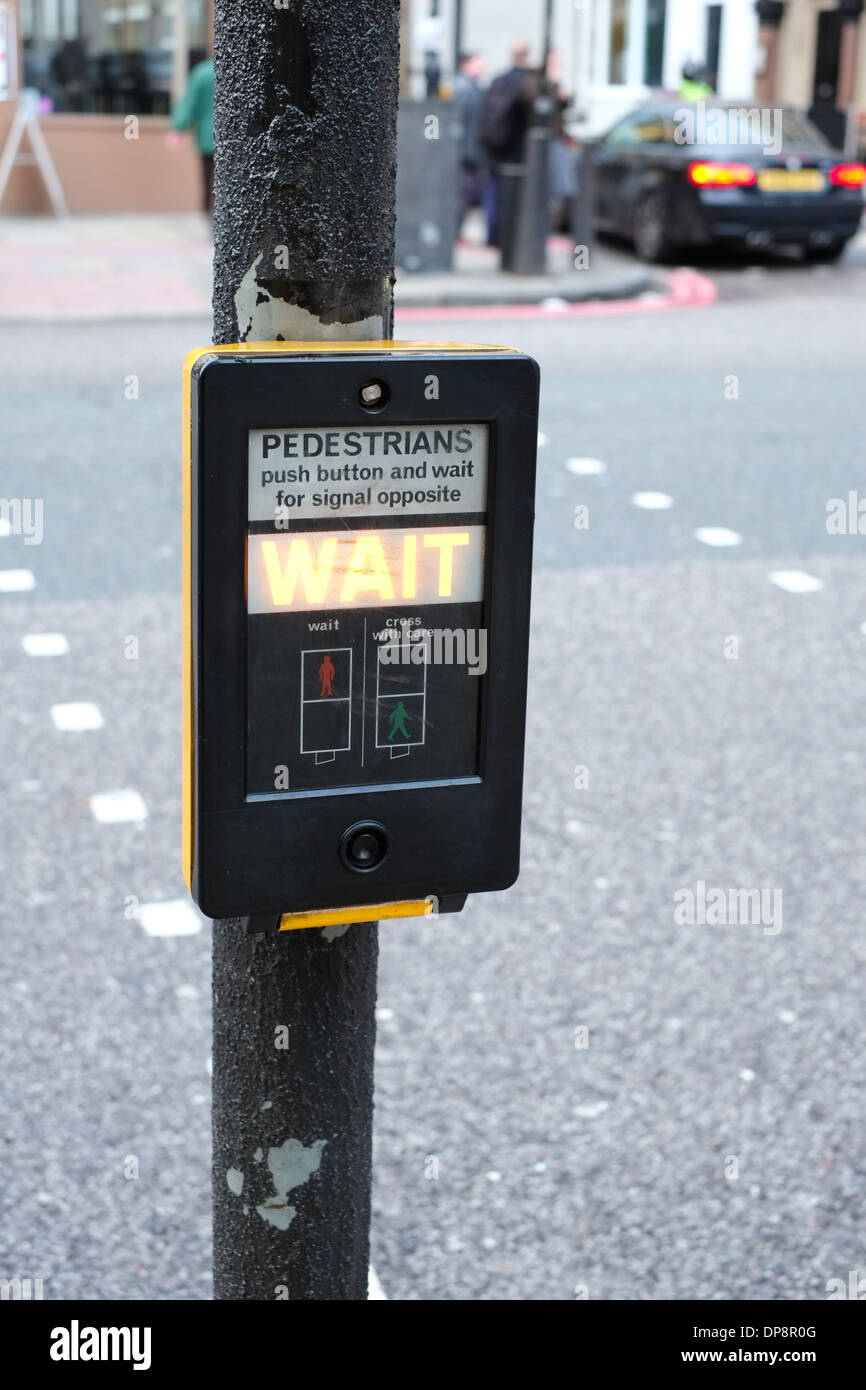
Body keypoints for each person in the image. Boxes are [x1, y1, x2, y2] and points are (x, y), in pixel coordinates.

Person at [479, 40, 535, 247]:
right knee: (516, 195)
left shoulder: (499, 80)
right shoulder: (527, 81)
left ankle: (492, 236)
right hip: (517, 148)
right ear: (526, 56)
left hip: (495, 146)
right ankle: (510, 240)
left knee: (493, 191)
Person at [167, 57, 215, 216]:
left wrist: (178, 128)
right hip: (237, 141)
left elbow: (189, 103)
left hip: (208, 139)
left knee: (210, 181)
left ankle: (211, 215)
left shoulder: (203, 73)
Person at [453, 52, 487, 228]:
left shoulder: (471, 87)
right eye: (478, 63)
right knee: (463, 191)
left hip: (468, 149)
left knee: (466, 191)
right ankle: (455, 230)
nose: (482, 68)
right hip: (465, 150)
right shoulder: (465, 88)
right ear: (466, 64)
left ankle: (456, 230)